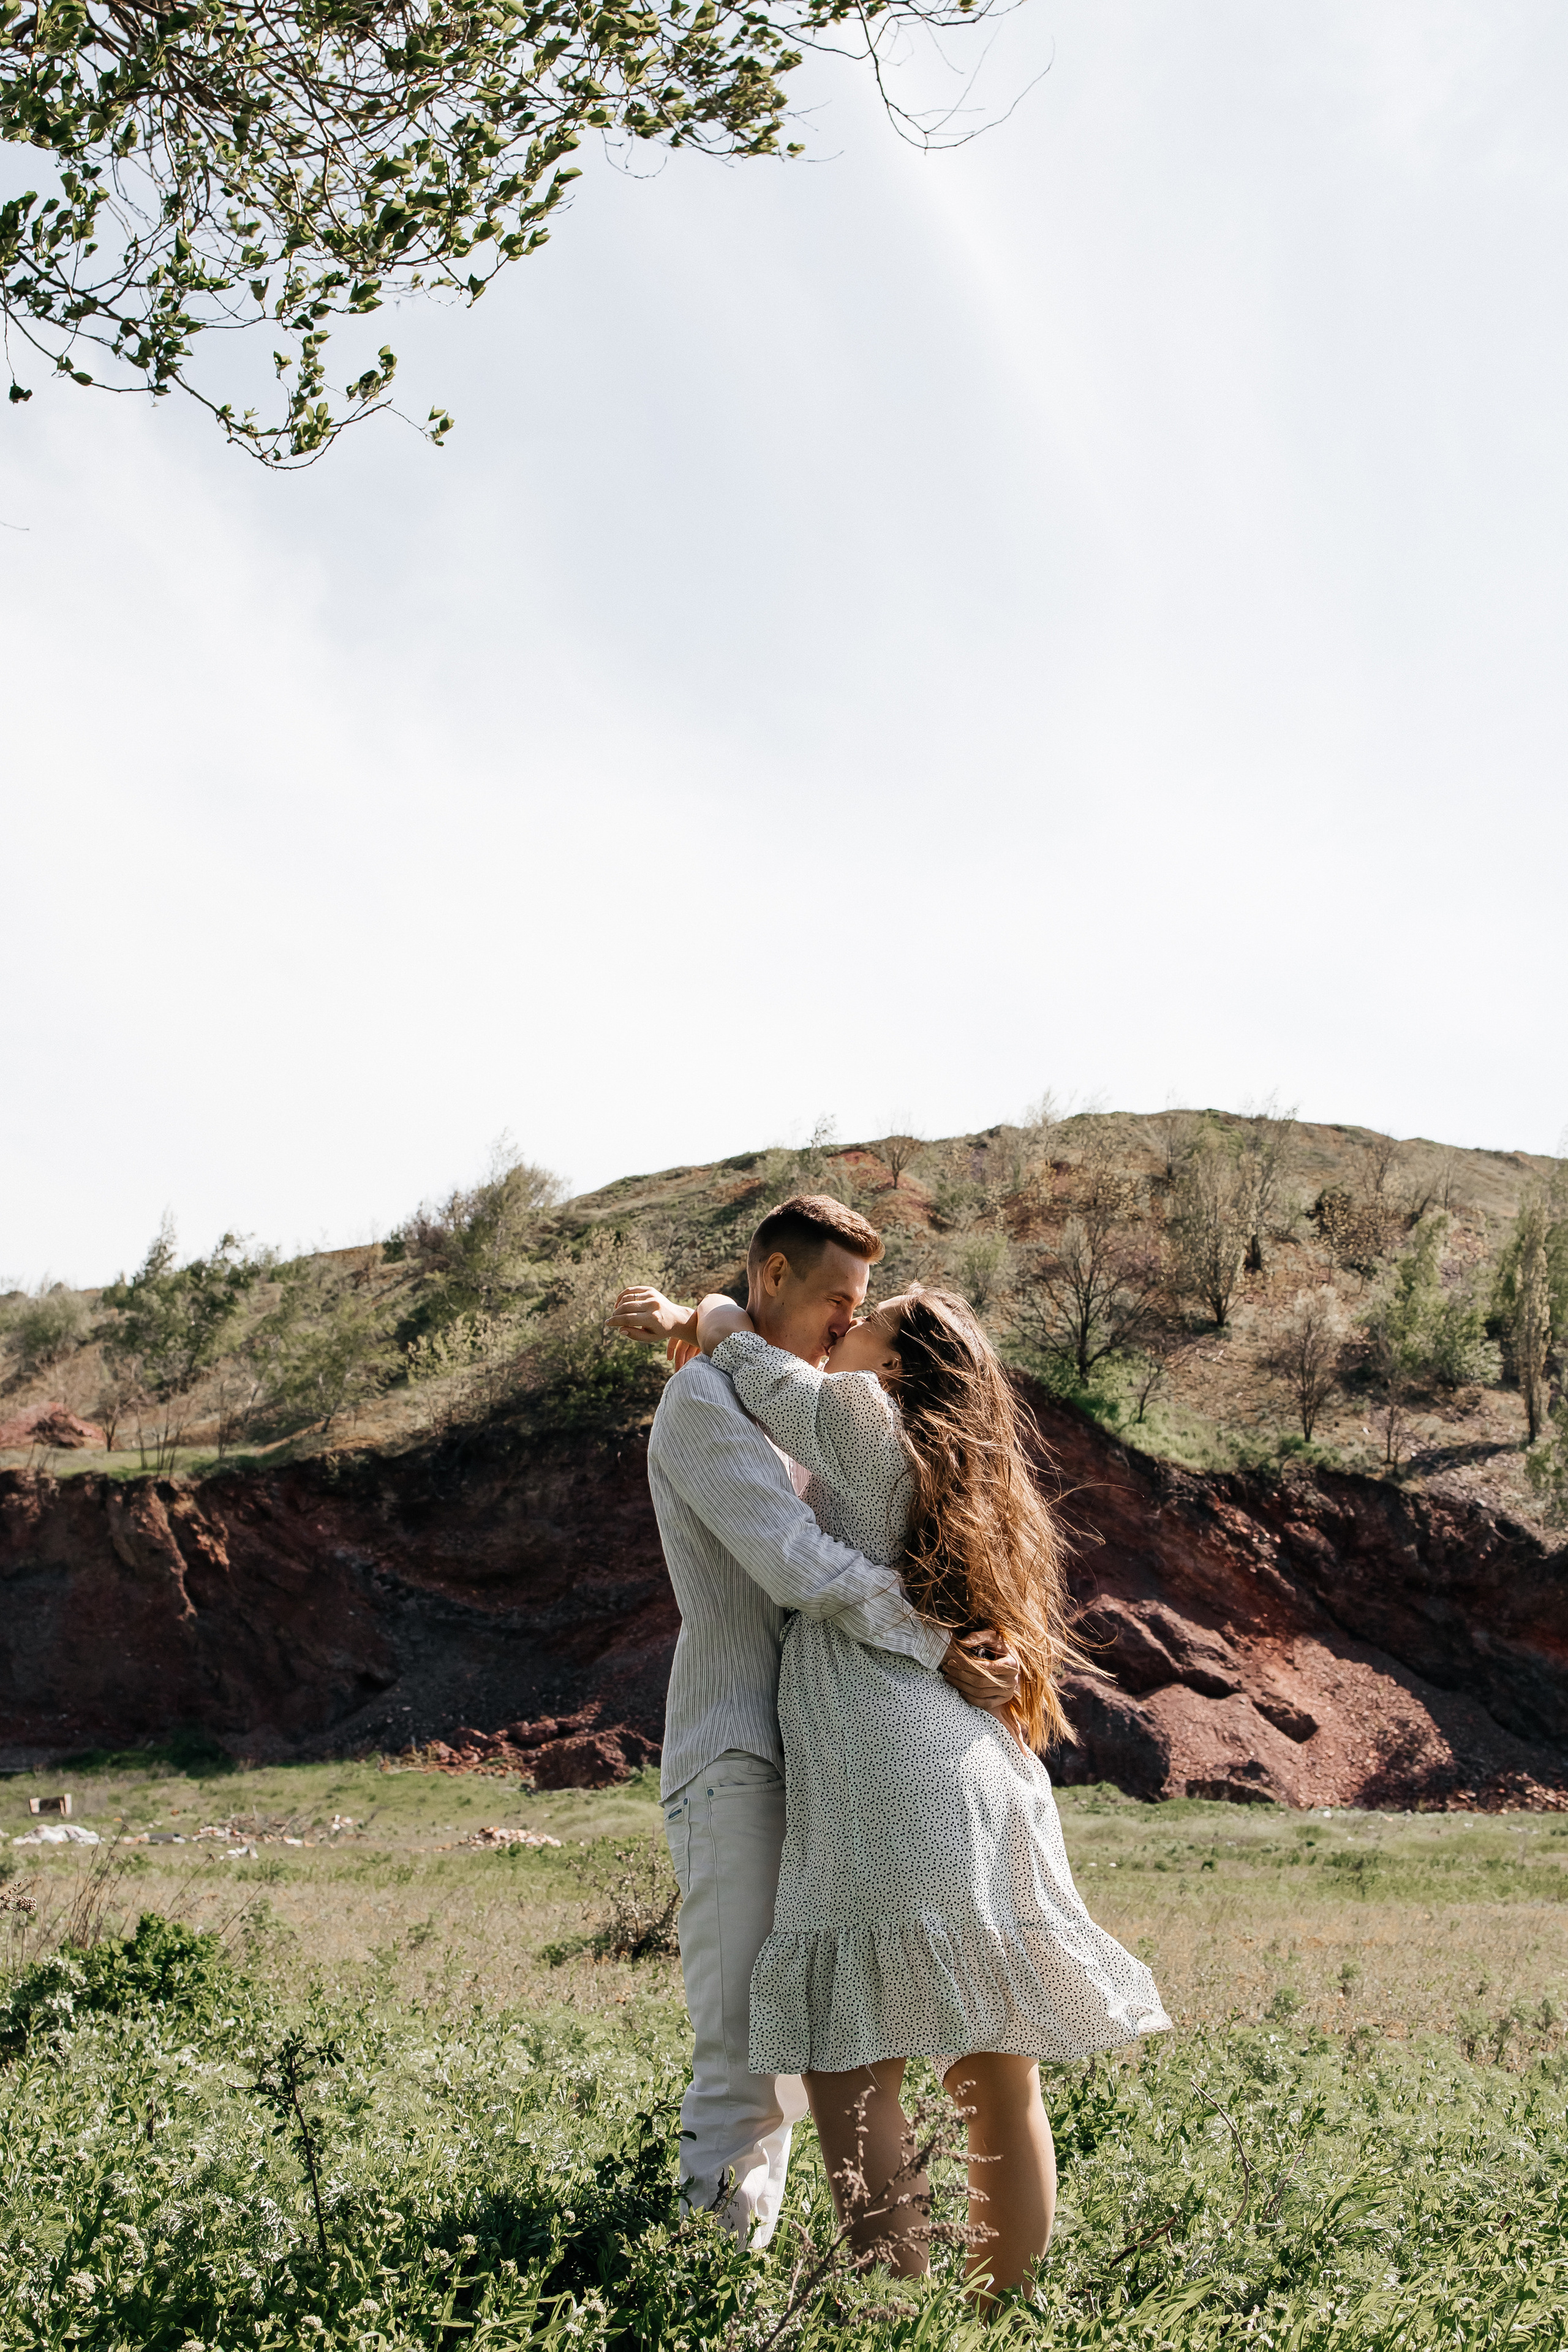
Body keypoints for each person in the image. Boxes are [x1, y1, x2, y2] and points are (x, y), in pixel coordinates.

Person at [614, 1263, 1170, 2303]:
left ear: (901, 1363)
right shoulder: (972, 1470)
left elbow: (746, 1350)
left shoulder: (861, 1416)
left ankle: (893, 2318)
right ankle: (998, 2315)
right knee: (993, 2069)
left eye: (879, 1315)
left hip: (885, 1762)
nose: (856, 1320)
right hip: (976, 1767)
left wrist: (693, 1316)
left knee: (842, 2062)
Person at [611, 1196, 1022, 2253]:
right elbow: (799, 1569)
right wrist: (941, 1644)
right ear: (776, 1280)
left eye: (864, 1304)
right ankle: (710, 2296)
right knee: (750, 2057)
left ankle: (776, 2281)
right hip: (741, 1754)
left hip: (833, 1762)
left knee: (808, 2048)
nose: (851, 1320)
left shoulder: (826, 1408)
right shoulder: (707, 1402)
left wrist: (985, 1634)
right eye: (839, 1298)